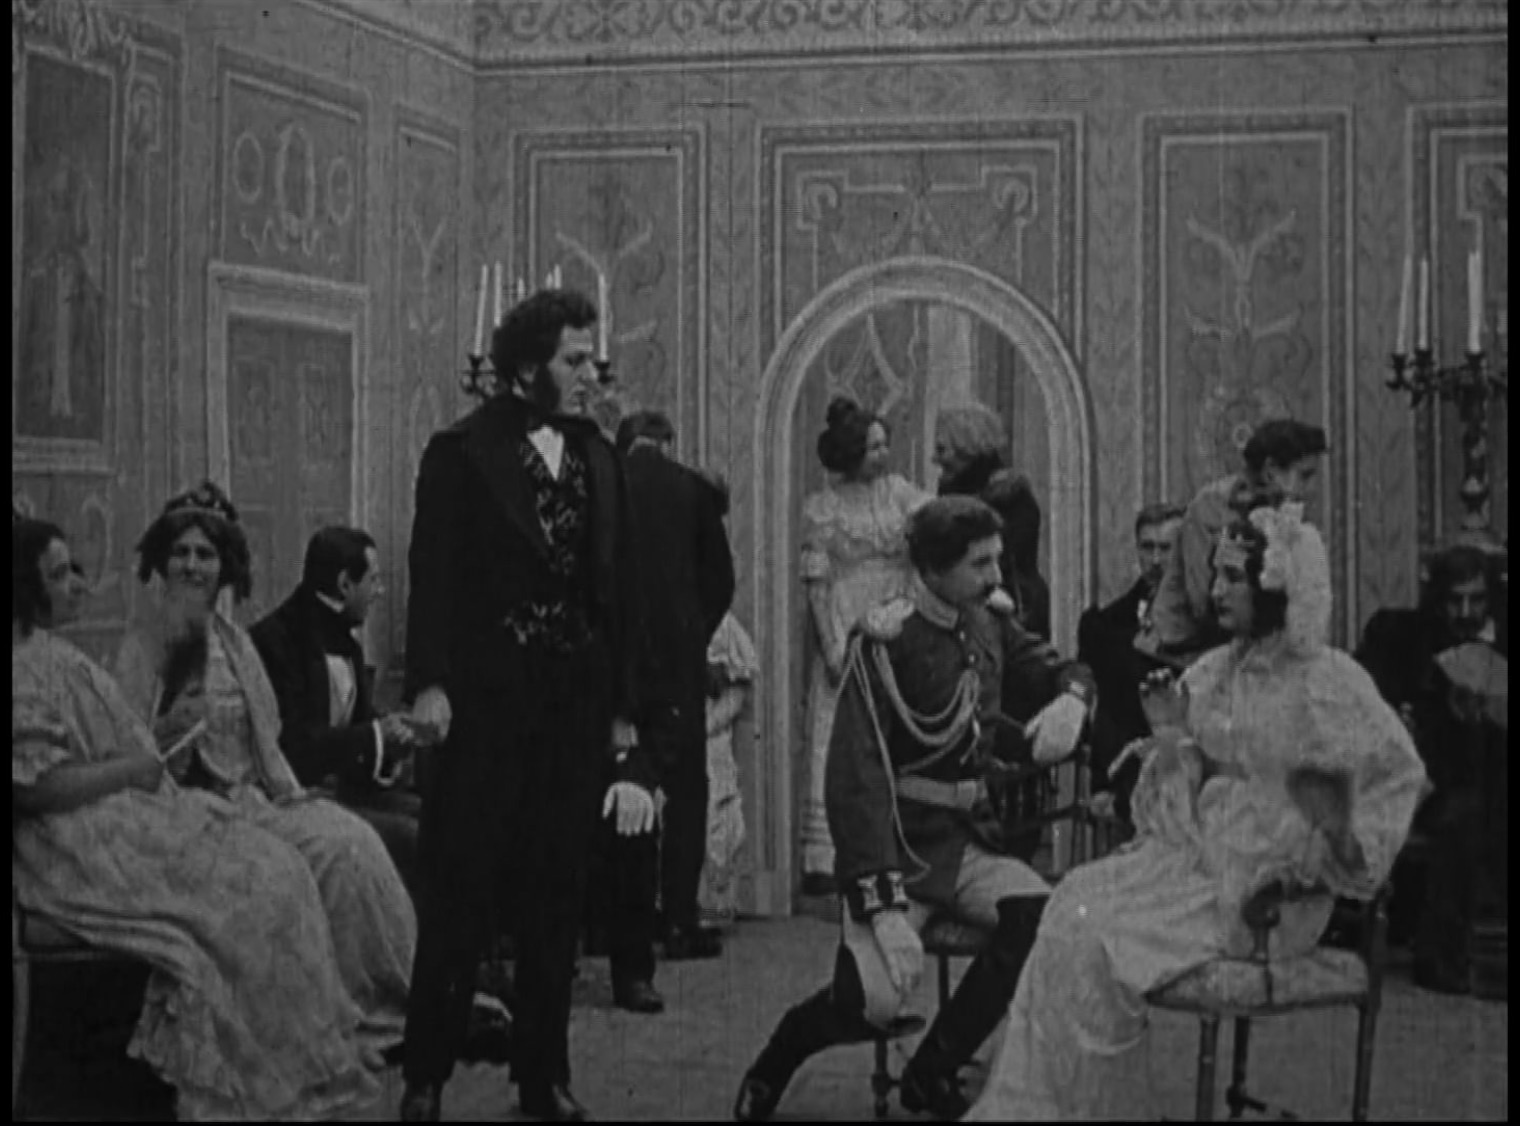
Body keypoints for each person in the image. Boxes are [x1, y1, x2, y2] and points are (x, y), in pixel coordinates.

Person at [965, 502, 1428, 1120]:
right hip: (1198, 861)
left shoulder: (1329, 682)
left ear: (1275, 585)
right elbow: (1177, 803)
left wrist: (1332, 839)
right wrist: (1171, 743)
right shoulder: (1212, 672)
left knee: (1098, 939)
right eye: (1217, 575)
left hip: (1270, 893)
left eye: (1233, 577)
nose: (1216, 591)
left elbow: (1400, 778)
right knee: (1069, 906)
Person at [734, 496, 1095, 1121]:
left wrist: (1073, 700)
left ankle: (931, 1071)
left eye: (996, 560)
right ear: (932, 568)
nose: (995, 576)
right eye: (979, 564)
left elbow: (1060, 668)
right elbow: (857, 783)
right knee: (868, 1003)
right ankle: (779, 1056)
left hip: (967, 842)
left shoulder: (988, 621)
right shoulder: (886, 641)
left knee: (1045, 921)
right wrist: (881, 906)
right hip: (899, 848)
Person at [13, 517, 383, 1119]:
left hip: (121, 810)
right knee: (250, 890)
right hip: (68, 840)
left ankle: (296, 1057)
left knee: (282, 866)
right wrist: (135, 768)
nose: (78, 584)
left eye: (73, 570)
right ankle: (248, 1077)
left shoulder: (55, 654)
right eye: (58, 575)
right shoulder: (24, 668)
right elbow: (35, 788)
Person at [398, 288, 659, 1122]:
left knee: (556, 899)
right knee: (459, 897)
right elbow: (432, 575)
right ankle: (425, 1077)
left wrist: (622, 709)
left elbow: (618, 595)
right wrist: (430, 682)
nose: (592, 375)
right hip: (484, 710)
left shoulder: (600, 458)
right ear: (523, 366)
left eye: (592, 359)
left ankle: (543, 1079)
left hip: (572, 712)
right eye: (574, 360)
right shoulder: (460, 452)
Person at [112, 484, 417, 1059]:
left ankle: (383, 1004)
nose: (192, 566)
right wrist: (168, 732)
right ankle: (309, 1023)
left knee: (349, 843)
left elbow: (268, 745)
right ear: (162, 563)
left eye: (205, 555)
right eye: (181, 553)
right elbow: (124, 757)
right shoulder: (144, 647)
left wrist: (289, 796)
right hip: (179, 812)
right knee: (281, 870)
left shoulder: (235, 644)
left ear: (224, 568)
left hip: (252, 798)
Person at [1356, 542, 1508, 993]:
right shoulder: (1404, 638)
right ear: (1438, 598)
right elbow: (1367, 702)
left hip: (1497, 778)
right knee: (1463, 816)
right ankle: (1441, 961)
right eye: (1455, 600)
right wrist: (1403, 715)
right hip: (1429, 783)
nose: (1466, 612)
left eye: (1476, 600)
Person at [617, 409, 736, 961]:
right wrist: (692, 634)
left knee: (619, 783)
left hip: (616, 663)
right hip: (678, 666)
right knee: (686, 792)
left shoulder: (608, 483)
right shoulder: (692, 490)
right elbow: (722, 581)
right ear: (666, 442)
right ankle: (679, 922)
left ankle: (617, 924)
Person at [250, 526, 424, 894]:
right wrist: (376, 735)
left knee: (434, 816)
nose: (379, 592)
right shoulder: (274, 641)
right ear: (345, 584)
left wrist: (393, 745)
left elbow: (358, 730)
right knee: (414, 836)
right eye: (374, 580)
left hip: (344, 791)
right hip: (294, 801)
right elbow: (293, 748)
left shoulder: (347, 642)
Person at [799, 396, 931, 884]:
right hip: (847, 612)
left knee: (896, 719)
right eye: (872, 447)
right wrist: (831, 643)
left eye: (884, 445)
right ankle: (829, 853)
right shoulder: (824, 508)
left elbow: (932, 526)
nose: (882, 454)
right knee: (839, 727)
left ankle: (898, 842)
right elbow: (816, 581)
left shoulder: (899, 493)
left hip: (897, 609)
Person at [1152, 418, 1328, 663]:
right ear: (1270, 471)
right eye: (1305, 476)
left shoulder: (1282, 514)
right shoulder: (1211, 508)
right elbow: (1206, 602)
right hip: (1182, 652)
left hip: (1245, 648)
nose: (1311, 489)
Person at [1077, 502, 1185, 823]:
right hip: (1126, 781)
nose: (1156, 560)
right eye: (1147, 548)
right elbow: (1105, 712)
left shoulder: (1208, 625)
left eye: (1166, 548)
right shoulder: (1107, 626)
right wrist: (1102, 785)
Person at [933, 403, 1051, 640]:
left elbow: (1002, 557)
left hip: (1013, 609)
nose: (935, 458)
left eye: (942, 449)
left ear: (966, 446)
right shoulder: (950, 491)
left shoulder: (1013, 496)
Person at [698, 610, 759, 927]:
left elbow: (737, 693)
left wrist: (707, 726)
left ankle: (710, 914)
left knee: (717, 823)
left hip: (710, 741)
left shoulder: (724, 627)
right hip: (668, 739)